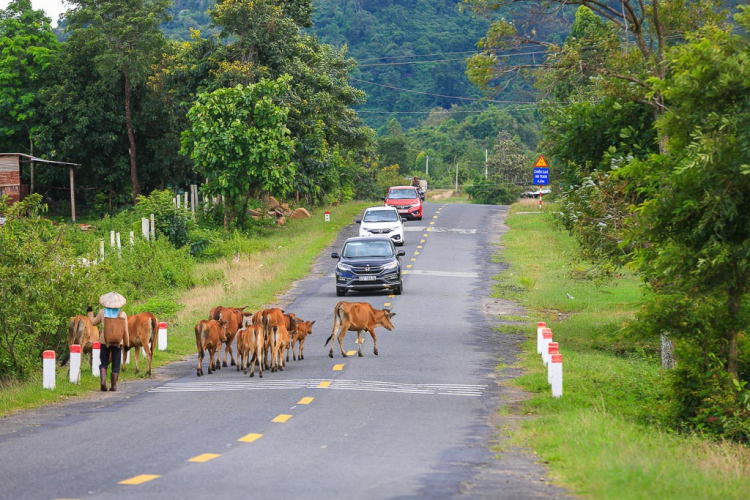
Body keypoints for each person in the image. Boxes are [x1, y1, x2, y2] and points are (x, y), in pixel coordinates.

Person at [88, 292, 129, 392]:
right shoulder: (122, 314)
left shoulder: (102, 312)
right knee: (116, 364)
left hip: (104, 341)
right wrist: (127, 344)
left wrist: (90, 313)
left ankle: (103, 382)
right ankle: (113, 385)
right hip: (118, 342)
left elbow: (93, 323)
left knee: (104, 362)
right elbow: (126, 331)